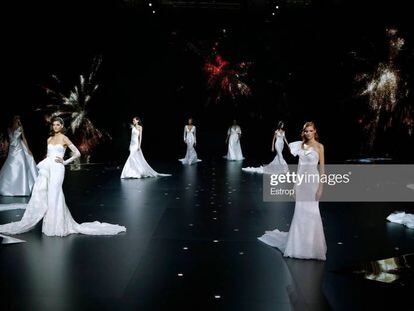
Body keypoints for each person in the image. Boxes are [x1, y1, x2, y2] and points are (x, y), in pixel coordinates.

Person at [0, 116, 126, 243]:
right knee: (49, 196)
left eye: (57, 125)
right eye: (54, 124)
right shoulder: (49, 139)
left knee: (56, 194)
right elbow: (49, 156)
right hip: (48, 168)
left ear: (62, 126)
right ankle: (50, 226)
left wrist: (65, 162)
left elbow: (77, 153)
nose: (55, 127)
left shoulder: (64, 138)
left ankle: (58, 226)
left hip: (58, 168)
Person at [258, 121, 327, 260]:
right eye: (306, 131)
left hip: (313, 183)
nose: (308, 133)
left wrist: (321, 188)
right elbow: (300, 168)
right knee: (300, 212)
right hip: (302, 184)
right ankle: (298, 246)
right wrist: (295, 187)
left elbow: (322, 170)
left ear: (315, 131)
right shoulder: (300, 146)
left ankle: (313, 247)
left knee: (313, 212)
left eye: (310, 130)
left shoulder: (320, 147)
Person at [0, 115, 37, 196]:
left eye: (19, 118)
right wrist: (5, 147)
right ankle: (9, 187)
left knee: (21, 165)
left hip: (19, 149)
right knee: (10, 165)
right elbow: (8, 140)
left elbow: (24, 139)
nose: (18, 120)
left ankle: (22, 188)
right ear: (13, 119)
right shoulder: (9, 128)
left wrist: (28, 150)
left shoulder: (20, 127)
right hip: (12, 150)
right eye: (16, 118)